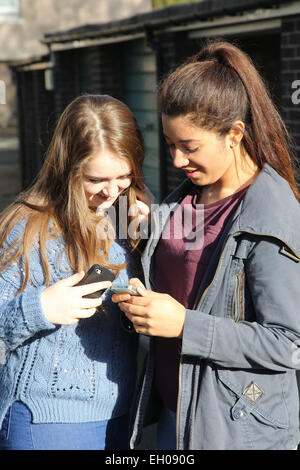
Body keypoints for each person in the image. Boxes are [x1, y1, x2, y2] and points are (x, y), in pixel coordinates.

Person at [112, 40, 300, 450]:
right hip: (172, 419)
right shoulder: (184, 200)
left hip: (233, 430)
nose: (177, 160)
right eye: (170, 144)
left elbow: (289, 344)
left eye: (190, 147)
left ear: (234, 134)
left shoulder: (272, 216)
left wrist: (184, 325)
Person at [0, 94, 151, 450]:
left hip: (120, 416)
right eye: (97, 179)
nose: (112, 191)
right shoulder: (26, 230)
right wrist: (39, 309)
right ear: (68, 168)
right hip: (44, 422)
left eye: (124, 176)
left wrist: (152, 246)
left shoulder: (131, 219)